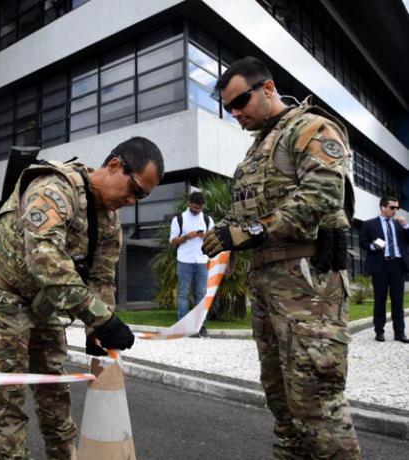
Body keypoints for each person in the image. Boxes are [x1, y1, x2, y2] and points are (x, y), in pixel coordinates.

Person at [202, 56, 360, 458]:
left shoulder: (310, 128)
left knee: (316, 405)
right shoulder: (256, 152)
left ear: (268, 89)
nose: (235, 113)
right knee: (282, 404)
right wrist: (222, 230)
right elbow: (245, 213)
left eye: (240, 102)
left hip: (307, 286)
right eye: (228, 108)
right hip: (269, 286)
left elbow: (320, 197)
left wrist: (247, 232)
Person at [0, 136, 164, 459]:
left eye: (142, 197)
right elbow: (44, 258)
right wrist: (101, 318)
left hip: (45, 307)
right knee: (6, 408)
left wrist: (96, 333)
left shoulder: (108, 220)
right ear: (115, 166)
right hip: (2, 303)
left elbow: (102, 278)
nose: (134, 201)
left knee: (56, 399)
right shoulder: (55, 189)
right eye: (134, 190)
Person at [360, 196, 409, 343]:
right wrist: (373, 246)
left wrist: (406, 226)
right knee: (380, 300)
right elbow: (363, 242)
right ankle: (379, 332)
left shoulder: (400, 224)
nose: (395, 211)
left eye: (397, 208)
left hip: (398, 265)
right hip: (380, 266)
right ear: (383, 207)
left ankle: (400, 333)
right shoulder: (369, 224)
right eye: (392, 207)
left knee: (398, 301)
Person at [169, 190, 214, 337]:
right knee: (183, 294)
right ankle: (183, 327)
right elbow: (172, 241)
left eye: (200, 208)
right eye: (195, 207)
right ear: (189, 204)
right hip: (185, 261)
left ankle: (201, 326)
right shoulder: (179, 219)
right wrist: (185, 237)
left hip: (202, 260)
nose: (197, 210)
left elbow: (213, 239)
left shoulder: (207, 220)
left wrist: (205, 236)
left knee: (201, 294)